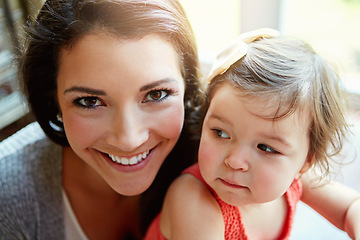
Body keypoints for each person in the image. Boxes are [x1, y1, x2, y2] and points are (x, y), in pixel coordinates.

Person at [0, 0, 202, 239]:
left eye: (156, 94)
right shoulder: (8, 195)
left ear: (187, 86)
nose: (128, 140)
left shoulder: (230, 157)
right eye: (90, 101)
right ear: (52, 98)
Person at [144, 28, 360, 240]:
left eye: (265, 148)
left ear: (305, 162)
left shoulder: (294, 178)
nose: (235, 161)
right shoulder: (194, 201)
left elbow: (351, 207)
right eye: (220, 133)